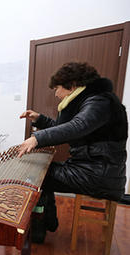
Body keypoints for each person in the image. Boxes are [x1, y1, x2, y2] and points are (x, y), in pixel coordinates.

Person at [18, 62, 128, 243]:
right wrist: (40, 119)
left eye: (58, 88)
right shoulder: (94, 99)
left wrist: (38, 138)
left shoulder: (100, 101)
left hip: (97, 175)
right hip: (93, 169)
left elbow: (78, 127)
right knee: (43, 174)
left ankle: (41, 228)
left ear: (73, 85)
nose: (56, 93)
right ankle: (48, 222)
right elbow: (69, 128)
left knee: (38, 176)